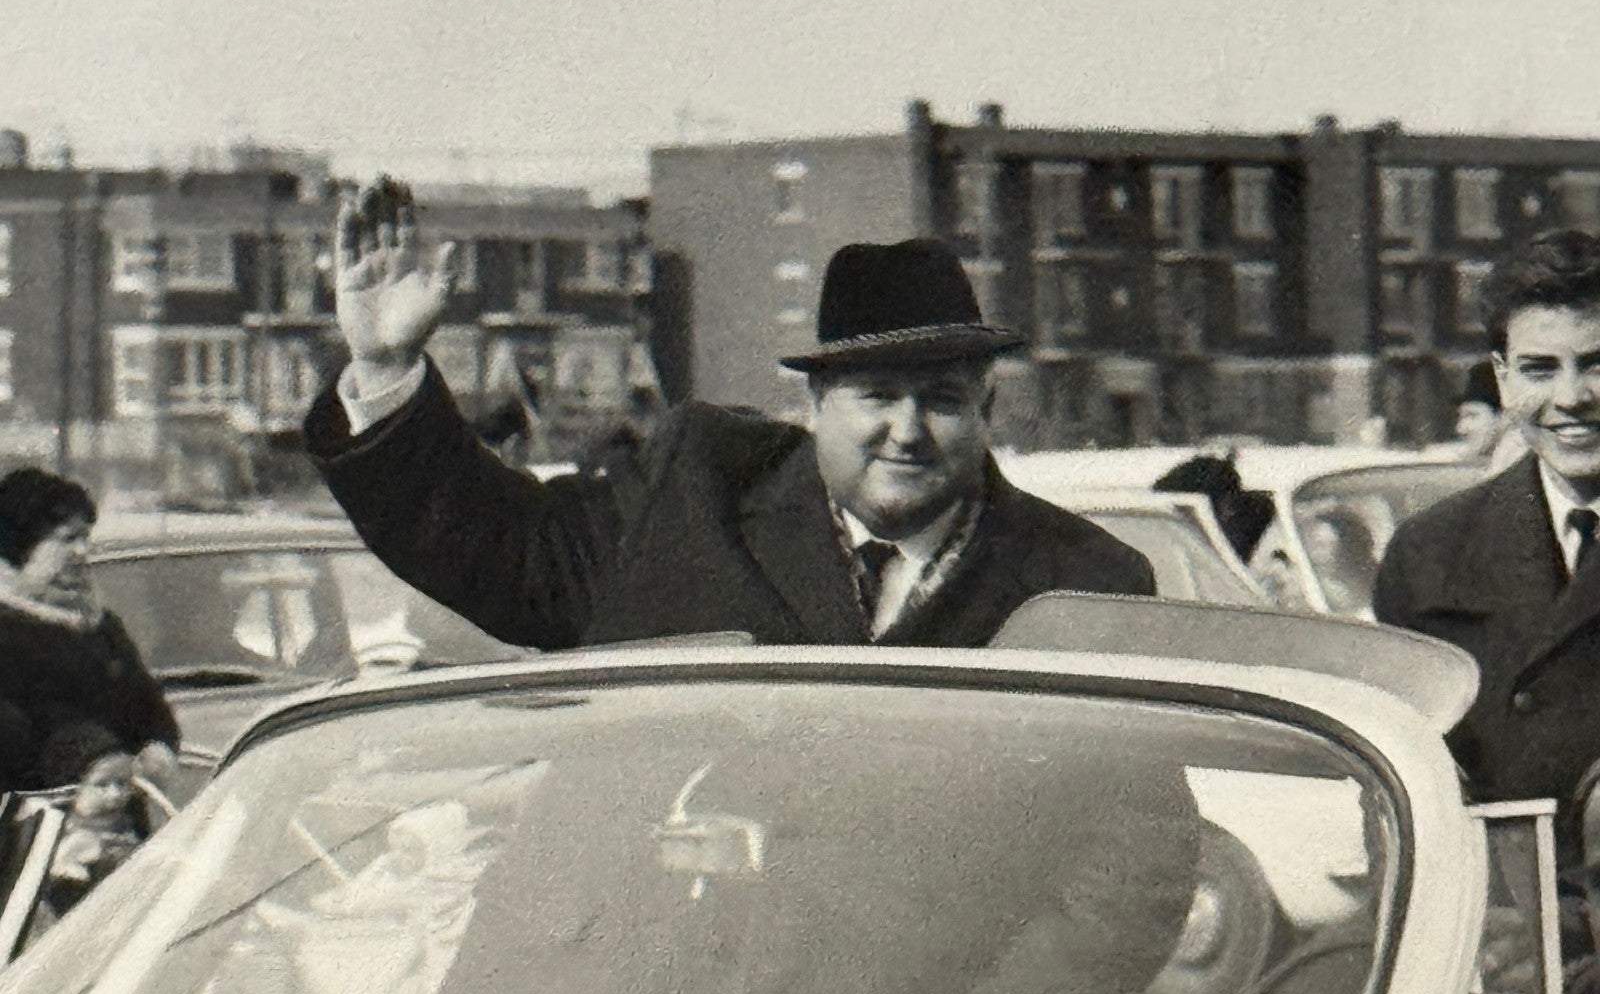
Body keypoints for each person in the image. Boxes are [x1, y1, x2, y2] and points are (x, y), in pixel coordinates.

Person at [303, 179, 1154, 649]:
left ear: (987, 407)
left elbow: (1128, 862)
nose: (907, 430)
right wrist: (385, 368)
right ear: (815, 404)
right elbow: (508, 552)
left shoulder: (1088, 584)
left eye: (941, 401)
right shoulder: (698, 484)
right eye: (878, 397)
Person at [1373, 229, 1600, 857]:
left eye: (1596, 363)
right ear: (1502, 380)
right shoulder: (1428, 557)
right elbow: (1404, 808)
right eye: (1539, 369)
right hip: (1513, 940)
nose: (1572, 398)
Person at [0, 468, 179, 798]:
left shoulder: (100, 625)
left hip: (116, 808)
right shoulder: (7, 629)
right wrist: (93, 756)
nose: (82, 552)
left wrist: (157, 745)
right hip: (35, 827)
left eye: (85, 538)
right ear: (21, 544)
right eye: (67, 539)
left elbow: (149, 705)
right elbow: (23, 732)